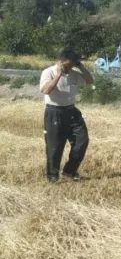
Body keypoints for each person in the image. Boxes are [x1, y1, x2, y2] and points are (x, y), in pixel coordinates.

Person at [38, 49, 93, 183]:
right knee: (55, 146)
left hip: (72, 111)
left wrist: (81, 67)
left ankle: (69, 171)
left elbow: (89, 81)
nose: (69, 69)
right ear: (61, 61)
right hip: (54, 112)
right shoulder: (48, 72)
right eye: (67, 66)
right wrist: (58, 76)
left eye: (73, 65)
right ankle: (53, 177)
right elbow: (46, 90)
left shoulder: (74, 74)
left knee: (82, 140)